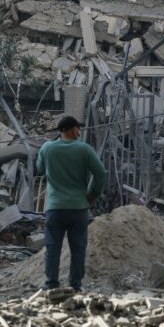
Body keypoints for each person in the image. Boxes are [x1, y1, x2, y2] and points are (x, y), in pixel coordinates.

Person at [36, 116, 106, 292]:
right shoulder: (84, 149)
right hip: (78, 208)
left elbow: (39, 169)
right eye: (77, 128)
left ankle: (51, 283)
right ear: (71, 129)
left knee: (52, 247)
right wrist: (92, 196)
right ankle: (75, 285)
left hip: (54, 208)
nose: (79, 132)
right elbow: (100, 174)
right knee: (78, 248)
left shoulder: (47, 148)